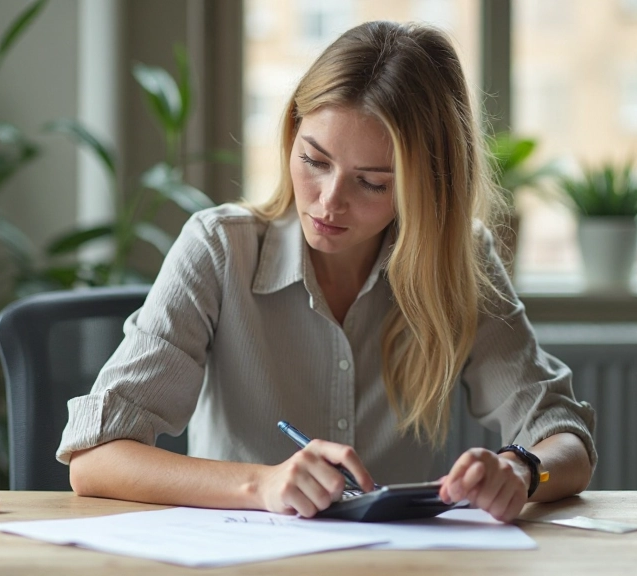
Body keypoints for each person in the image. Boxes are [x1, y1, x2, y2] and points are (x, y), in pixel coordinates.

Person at [57, 21, 596, 523]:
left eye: (373, 183)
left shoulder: (461, 263)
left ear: (425, 187)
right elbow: (94, 459)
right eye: (314, 160)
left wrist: (522, 470)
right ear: (293, 132)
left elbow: (564, 437)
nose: (328, 202)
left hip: (402, 560)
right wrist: (262, 485)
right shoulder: (219, 247)